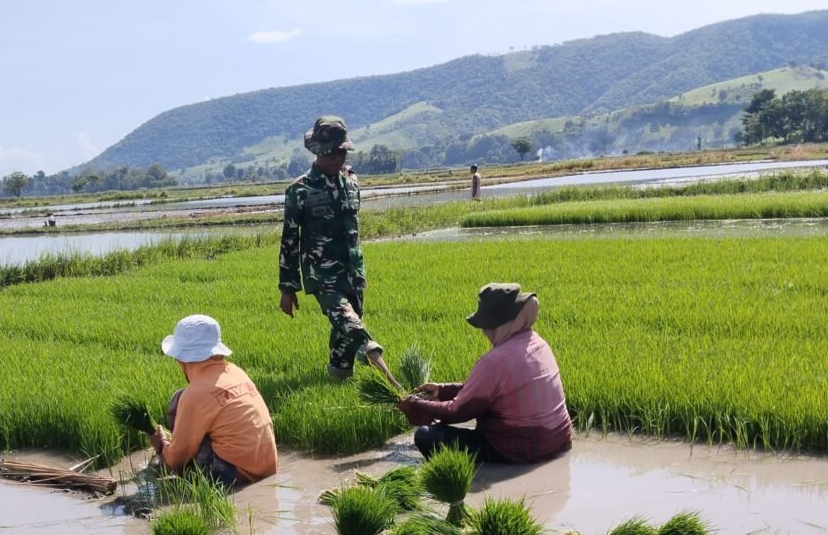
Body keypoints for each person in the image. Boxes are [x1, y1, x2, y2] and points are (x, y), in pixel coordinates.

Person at [278, 115, 398, 385]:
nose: (338, 159)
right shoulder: (300, 190)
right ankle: (395, 385)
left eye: (342, 152)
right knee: (353, 327)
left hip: (353, 272)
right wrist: (288, 288)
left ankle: (338, 378)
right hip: (323, 275)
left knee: (344, 334)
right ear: (319, 153)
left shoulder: (352, 182)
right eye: (332, 153)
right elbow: (289, 240)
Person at [396, 283, 572, 463]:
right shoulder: (538, 344)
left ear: (494, 325)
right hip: (560, 442)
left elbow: (457, 411)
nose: (483, 332)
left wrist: (415, 404)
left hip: (517, 452)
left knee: (426, 436)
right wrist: (442, 390)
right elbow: (492, 392)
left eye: (484, 326)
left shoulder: (495, 361)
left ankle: (473, 476)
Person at [150, 314, 279, 486]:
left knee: (178, 401)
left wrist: (161, 444)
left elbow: (175, 460)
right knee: (182, 397)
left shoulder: (195, 394)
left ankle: (188, 481)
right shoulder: (235, 371)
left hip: (235, 476)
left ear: (180, 359)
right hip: (268, 467)